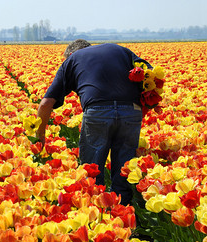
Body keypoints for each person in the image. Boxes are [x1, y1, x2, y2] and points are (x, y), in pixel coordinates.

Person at [36, 39, 151, 205]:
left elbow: (46, 104)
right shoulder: (119, 50)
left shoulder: (72, 60)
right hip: (130, 111)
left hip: (98, 112)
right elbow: (150, 74)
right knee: (125, 168)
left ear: (70, 55)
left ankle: (97, 215)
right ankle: (124, 216)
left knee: (92, 169)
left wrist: (40, 136)